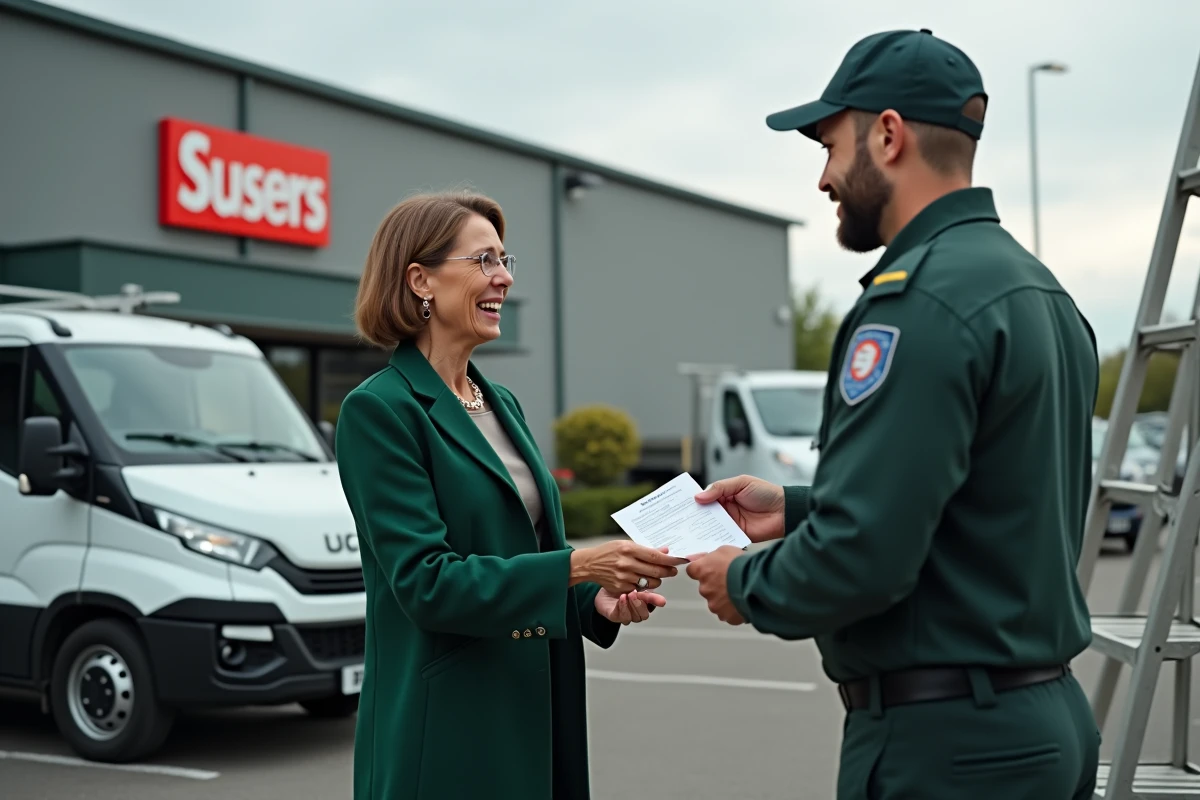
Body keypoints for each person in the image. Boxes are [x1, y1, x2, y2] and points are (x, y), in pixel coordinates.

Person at [685, 29, 1102, 800]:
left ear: (887, 134)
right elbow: (985, 498)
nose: (823, 179)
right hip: (1040, 722)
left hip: (949, 745)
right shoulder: (1037, 291)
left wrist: (744, 584)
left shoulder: (918, 302)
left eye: (830, 145)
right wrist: (798, 508)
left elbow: (865, 556)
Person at [335, 190, 687, 800]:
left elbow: (527, 549)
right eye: (483, 261)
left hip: (536, 703)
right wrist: (578, 566)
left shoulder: (504, 404)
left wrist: (593, 601)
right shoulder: (379, 410)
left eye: (505, 260)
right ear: (421, 279)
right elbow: (427, 583)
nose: (503, 278)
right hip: (449, 724)